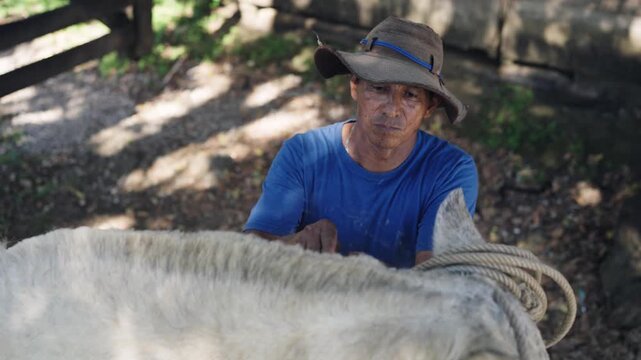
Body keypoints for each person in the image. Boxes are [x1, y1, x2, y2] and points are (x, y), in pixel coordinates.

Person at [244, 16, 478, 268]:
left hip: (403, 307)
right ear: (355, 85)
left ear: (429, 107)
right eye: (379, 88)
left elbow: (438, 278)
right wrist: (295, 245)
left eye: (410, 95)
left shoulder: (450, 172)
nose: (392, 109)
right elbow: (248, 255)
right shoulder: (302, 154)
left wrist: (364, 276)